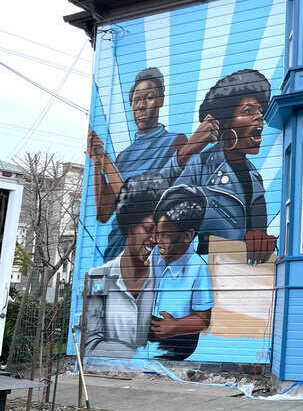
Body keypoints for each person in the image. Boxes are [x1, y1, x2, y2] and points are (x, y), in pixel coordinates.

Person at [87, 67, 219, 261]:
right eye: (135, 100)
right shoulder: (123, 157)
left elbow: (156, 196)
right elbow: (103, 214)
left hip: (153, 254)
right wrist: (98, 163)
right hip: (116, 253)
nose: (140, 106)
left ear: (160, 101)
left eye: (148, 97)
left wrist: (105, 162)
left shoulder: (175, 142)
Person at [165, 69, 276, 264]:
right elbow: (166, 213)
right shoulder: (200, 165)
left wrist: (260, 241)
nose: (259, 117)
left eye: (259, 110)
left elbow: (257, 232)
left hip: (238, 278)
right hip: (204, 274)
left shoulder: (254, 178)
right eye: (248, 111)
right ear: (225, 123)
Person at [84, 172, 168, 357]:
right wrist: (136, 357)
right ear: (129, 225)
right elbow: (90, 345)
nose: (154, 239)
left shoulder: (165, 279)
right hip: (108, 377)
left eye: (160, 232)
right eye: (148, 229)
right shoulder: (99, 277)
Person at [148, 184, 215, 360]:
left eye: (164, 235)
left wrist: (175, 326)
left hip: (177, 343)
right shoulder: (155, 256)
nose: (157, 240)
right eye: (156, 233)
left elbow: (203, 319)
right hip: (151, 335)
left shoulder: (197, 269)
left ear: (187, 236)